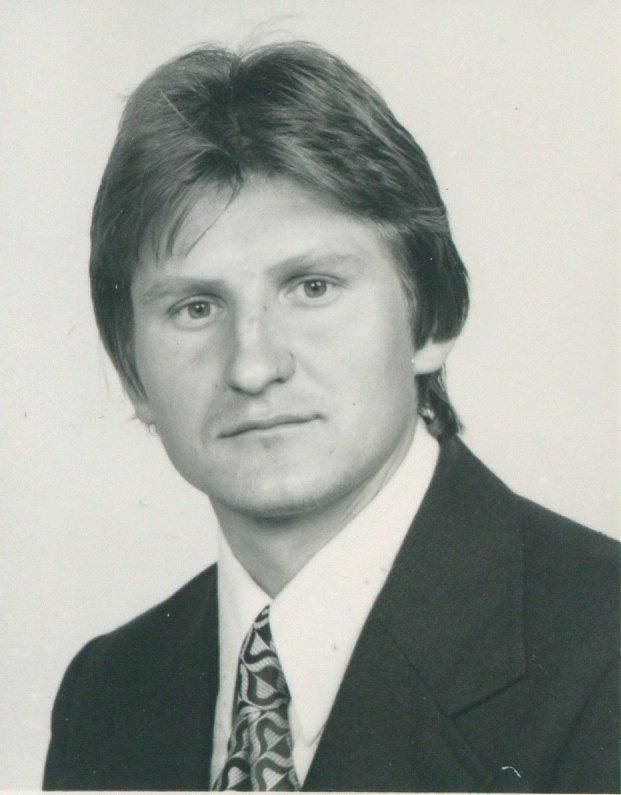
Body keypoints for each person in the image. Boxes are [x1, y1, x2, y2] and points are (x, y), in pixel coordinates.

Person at [43, 41, 619, 792]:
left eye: (312, 287)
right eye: (195, 307)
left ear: (432, 317)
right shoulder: (105, 695)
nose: (253, 366)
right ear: (133, 374)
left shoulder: (603, 646)